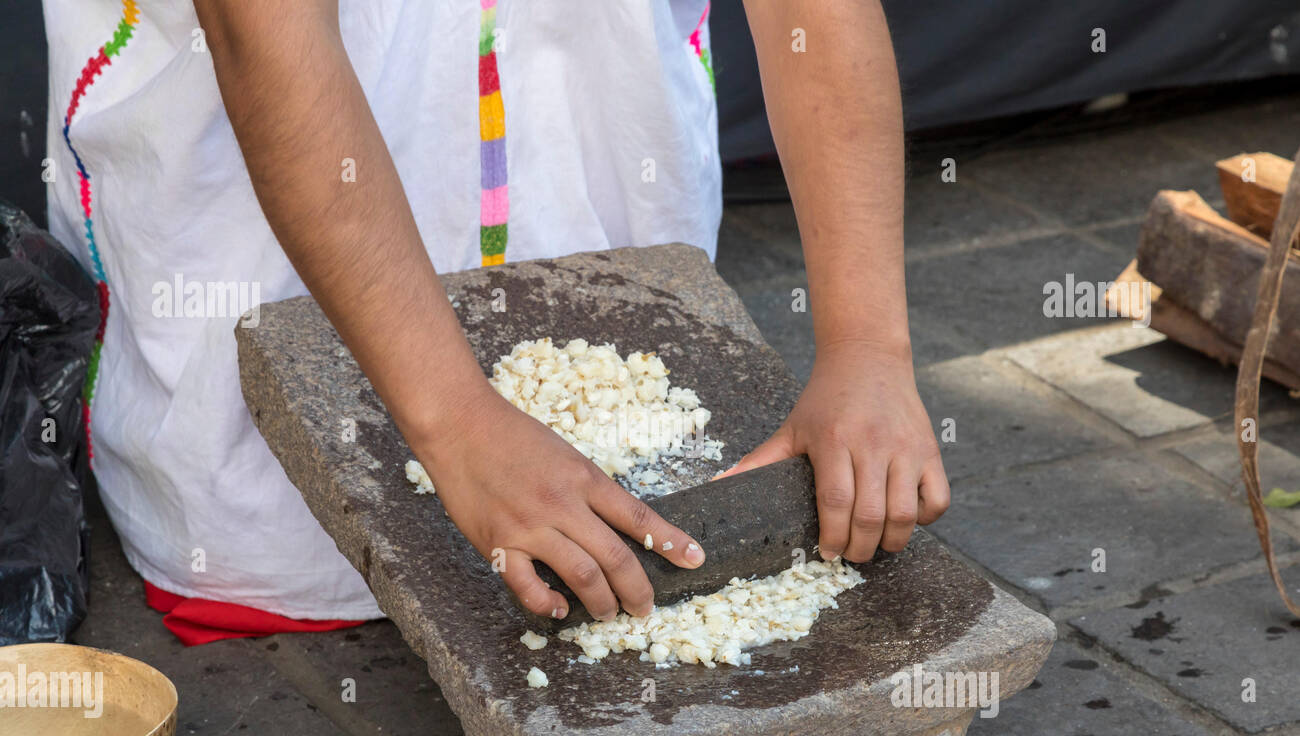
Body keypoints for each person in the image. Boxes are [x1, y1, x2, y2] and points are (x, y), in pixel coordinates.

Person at [44, 0, 948, 642]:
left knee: (639, 474)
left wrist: (868, 344)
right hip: (262, 232)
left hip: (597, 209)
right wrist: (458, 422)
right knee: (296, 531)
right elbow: (260, 31)